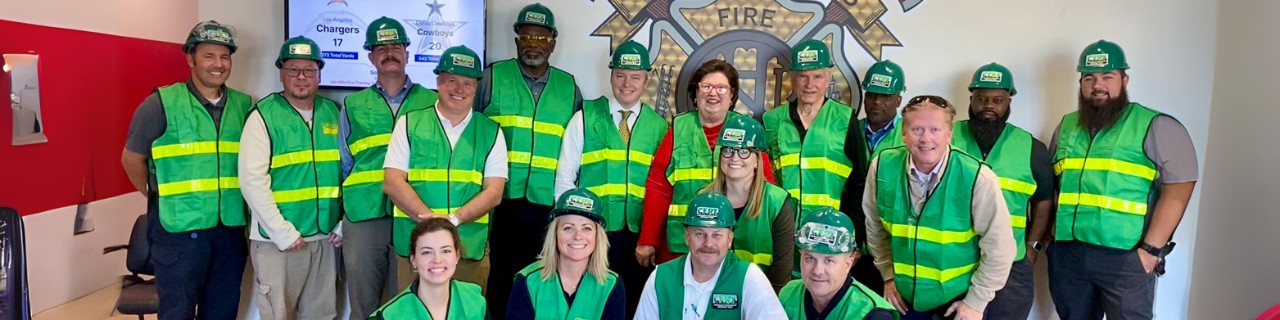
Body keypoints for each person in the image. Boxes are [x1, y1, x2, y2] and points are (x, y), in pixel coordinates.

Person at [1048, 40, 1199, 320]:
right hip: (1068, 255)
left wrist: (1151, 250)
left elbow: (1179, 188)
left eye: (1108, 76)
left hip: (1125, 257)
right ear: (1081, 82)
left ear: (1124, 79)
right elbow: (1057, 186)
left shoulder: (1154, 125)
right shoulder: (1066, 126)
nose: (1098, 85)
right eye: (1089, 77)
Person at [119, 20, 249, 319]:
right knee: (177, 313)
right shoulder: (160, 104)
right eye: (209, 56)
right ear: (190, 59)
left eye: (225, 57)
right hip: (178, 234)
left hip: (228, 231)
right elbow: (131, 159)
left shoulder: (244, 105)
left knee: (222, 311)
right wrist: (160, 195)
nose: (218, 64)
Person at [476, 4, 587, 315]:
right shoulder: (492, 77)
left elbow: (577, 148)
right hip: (500, 202)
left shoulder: (568, 87)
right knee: (498, 278)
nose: (532, 45)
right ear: (516, 40)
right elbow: (468, 134)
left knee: (540, 279)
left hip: (546, 204)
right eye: (526, 37)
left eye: (540, 39)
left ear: (552, 43)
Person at [863, 96, 1015, 320]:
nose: (926, 139)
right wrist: (887, 275)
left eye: (935, 129)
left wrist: (975, 303)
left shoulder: (978, 178)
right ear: (903, 134)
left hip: (958, 302)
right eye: (917, 129)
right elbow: (875, 226)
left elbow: (1000, 249)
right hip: (904, 299)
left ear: (949, 134)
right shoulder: (881, 167)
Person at [552, 39, 667, 317]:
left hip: (640, 237)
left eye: (635, 77)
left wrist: (651, 237)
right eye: (620, 75)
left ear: (646, 80)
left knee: (637, 303)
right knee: (595, 301)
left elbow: (663, 188)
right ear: (611, 75)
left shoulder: (660, 126)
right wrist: (572, 228)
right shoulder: (585, 117)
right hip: (595, 234)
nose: (627, 83)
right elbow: (565, 178)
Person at [382, 45, 507, 290]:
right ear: (438, 82)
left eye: (467, 83)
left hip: (468, 247)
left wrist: (453, 220)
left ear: (476, 88)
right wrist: (431, 224)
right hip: (416, 249)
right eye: (451, 80)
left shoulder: (491, 132)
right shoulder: (409, 124)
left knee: (466, 314)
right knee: (413, 315)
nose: (459, 89)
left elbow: (494, 192)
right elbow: (392, 182)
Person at [339, 16, 440, 318]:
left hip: (413, 215)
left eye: (396, 45)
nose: (389, 52)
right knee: (363, 304)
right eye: (381, 48)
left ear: (407, 52)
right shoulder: (352, 104)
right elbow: (345, 163)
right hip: (364, 216)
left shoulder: (431, 101)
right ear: (370, 55)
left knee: (407, 304)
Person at [240, 36, 344, 320]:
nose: (301, 77)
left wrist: (342, 223)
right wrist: (282, 232)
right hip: (277, 243)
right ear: (281, 73)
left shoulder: (333, 112)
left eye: (309, 70)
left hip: (325, 240)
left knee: (323, 315)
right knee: (277, 315)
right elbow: (251, 181)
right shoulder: (263, 116)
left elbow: (348, 172)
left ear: (319, 74)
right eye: (293, 69)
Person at [637, 59, 777, 266]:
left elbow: (767, 188)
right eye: (707, 87)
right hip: (681, 246)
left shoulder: (747, 130)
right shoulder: (678, 128)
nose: (713, 93)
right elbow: (659, 188)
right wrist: (647, 239)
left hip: (734, 246)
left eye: (721, 88)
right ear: (696, 94)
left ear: (732, 96)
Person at [763, 39, 877, 290]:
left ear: (828, 78)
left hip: (830, 238)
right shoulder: (772, 120)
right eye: (803, 76)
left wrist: (854, 239)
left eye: (817, 76)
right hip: (781, 236)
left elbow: (859, 184)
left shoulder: (845, 119)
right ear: (793, 78)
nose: (810, 84)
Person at [950, 62, 1056, 320]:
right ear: (971, 99)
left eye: (997, 100)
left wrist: (1032, 248)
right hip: (953, 261)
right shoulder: (947, 137)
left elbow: (1044, 201)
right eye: (981, 99)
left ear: (1009, 102)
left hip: (1012, 265)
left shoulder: (1031, 147)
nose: (988, 105)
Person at [636, 193, 787, 319]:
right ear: (687, 236)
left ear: (730, 239)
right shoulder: (660, 278)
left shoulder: (749, 277)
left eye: (717, 235)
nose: (708, 244)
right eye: (700, 234)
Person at [700, 116, 795, 291]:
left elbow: (782, 271)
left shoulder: (777, 201)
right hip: (711, 294)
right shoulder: (704, 198)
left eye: (744, 151)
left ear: (758, 160)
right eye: (728, 149)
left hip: (761, 296)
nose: (734, 157)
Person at [507, 188, 626, 319]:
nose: (578, 236)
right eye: (568, 228)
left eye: (587, 228)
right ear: (555, 234)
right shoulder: (528, 281)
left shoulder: (611, 285)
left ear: (597, 237)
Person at [779, 208, 899, 320]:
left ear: (848, 263)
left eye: (829, 260)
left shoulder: (872, 314)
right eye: (810, 258)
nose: (817, 270)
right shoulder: (788, 295)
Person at [371, 218, 488, 319]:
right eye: (427, 252)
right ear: (413, 259)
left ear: (457, 256)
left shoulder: (476, 302)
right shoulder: (389, 316)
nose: (437, 260)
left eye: (446, 251)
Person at [860, 60, 908, 161]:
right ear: (865, 97)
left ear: (898, 101)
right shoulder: (849, 129)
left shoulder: (909, 134)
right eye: (872, 95)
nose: (877, 101)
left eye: (885, 96)